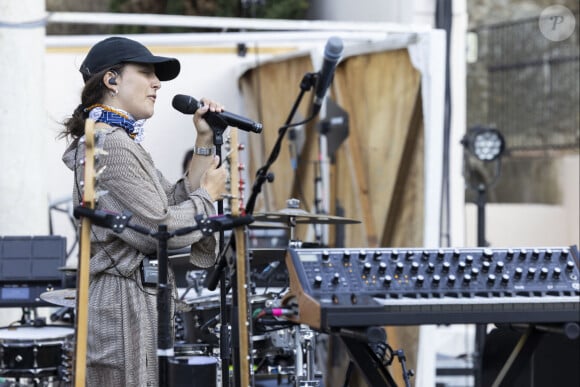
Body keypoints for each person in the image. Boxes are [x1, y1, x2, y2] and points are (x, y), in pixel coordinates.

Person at [60, 36, 227, 386]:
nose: (157, 83)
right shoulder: (113, 145)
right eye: (146, 72)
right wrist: (209, 198)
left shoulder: (116, 139)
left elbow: (173, 200)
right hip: (122, 303)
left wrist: (203, 140)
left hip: (131, 299)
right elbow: (160, 229)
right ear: (112, 80)